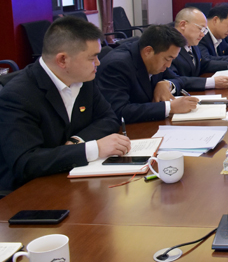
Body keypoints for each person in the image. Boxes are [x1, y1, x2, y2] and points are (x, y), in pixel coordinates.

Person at [0, 17, 129, 193]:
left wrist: (77, 141)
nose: (98, 63)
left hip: (69, 177)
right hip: (28, 192)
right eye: (92, 57)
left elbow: (108, 118)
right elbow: (26, 163)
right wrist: (93, 149)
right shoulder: (18, 96)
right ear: (62, 60)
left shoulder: (83, 79)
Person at [97, 25, 199, 123]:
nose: (168, 65)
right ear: (148, 51)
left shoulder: (157, 57)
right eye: (167, 59)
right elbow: (119, 111)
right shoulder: (118, 66)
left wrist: (166, 84)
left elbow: (178, 79)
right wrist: (170, 107)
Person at [170, 7, 228, 91]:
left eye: (204, 30)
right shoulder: (169, 48)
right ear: (183, 25)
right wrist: (211, 82)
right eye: (200, 29)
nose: (202, 34)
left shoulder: (192, 44)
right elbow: (175, 80)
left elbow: (204, 63)